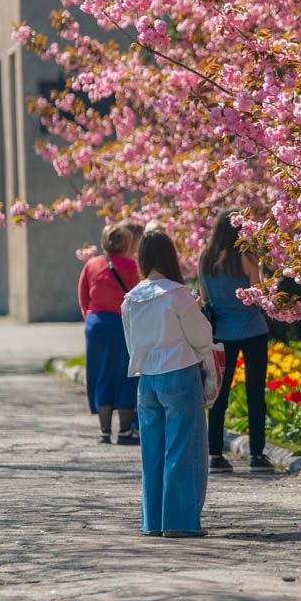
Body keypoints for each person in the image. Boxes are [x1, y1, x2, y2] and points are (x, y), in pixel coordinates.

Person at [122, 230, 215, 538]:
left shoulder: (131, 298)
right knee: (182, 450)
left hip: (146, 379)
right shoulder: (177, 294)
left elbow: (131, 342)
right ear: (169, 257)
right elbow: (201, 337)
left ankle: (153, 520)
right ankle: (179, 522)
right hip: (179, 371)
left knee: (152, 452)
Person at [198, 209, 272, 473]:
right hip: (252, 330)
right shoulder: (246, 257)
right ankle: (257, 455)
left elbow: (204, 297)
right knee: (255, 393)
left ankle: (215, 454)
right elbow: (259, 294)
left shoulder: (205, 257)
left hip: (221, 332)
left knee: (219, 393)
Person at [77, 224, 142, 444]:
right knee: (126, 374)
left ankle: (104, 430)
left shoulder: (91, 264)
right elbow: (136, 297)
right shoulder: (131, 266)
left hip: (96, 324)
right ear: (126, 244)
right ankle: (125, 431)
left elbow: (83, 296)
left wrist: (90, 318)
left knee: (101, 373)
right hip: (122, 323)